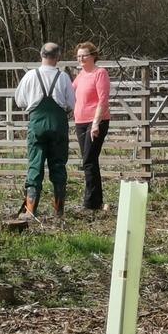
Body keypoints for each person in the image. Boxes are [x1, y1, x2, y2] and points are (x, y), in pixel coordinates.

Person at [14, 42, 76, 218]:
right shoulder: (63, 77)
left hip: (37, 124)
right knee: (58, 165)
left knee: (35, 165)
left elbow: (20, 101)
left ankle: (31, 211)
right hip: (58, 125)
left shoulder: (30, 76)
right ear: (58, 57)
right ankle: (59, 211)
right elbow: (72, 103)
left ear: (41, 55)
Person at [72, 41, 111, 211]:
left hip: (95, 121)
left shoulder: (100, 73)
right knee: (89, 160)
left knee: (88, 160)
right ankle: (96, 200)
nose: (81, 58)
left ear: (93, 56)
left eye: (84, 55)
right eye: (79, 56)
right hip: (80, 121)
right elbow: (70, 94)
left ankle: (91, 203)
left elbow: (103, 100)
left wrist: (96, 123)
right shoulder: (80, 75)